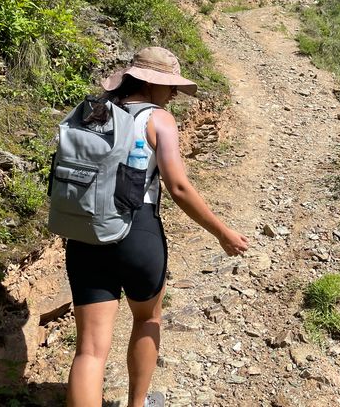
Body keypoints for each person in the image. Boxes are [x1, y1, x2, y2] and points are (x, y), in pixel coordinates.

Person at [65, 46, 250, 407]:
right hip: (136, 231)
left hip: (86, 232)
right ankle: (138, 404)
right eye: (171, 88)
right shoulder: (158, 119)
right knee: (148, 319)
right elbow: (178, 186)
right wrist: (222, 231)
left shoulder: (93, 113)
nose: (173, 96)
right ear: (153, 84)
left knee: (89, 350)